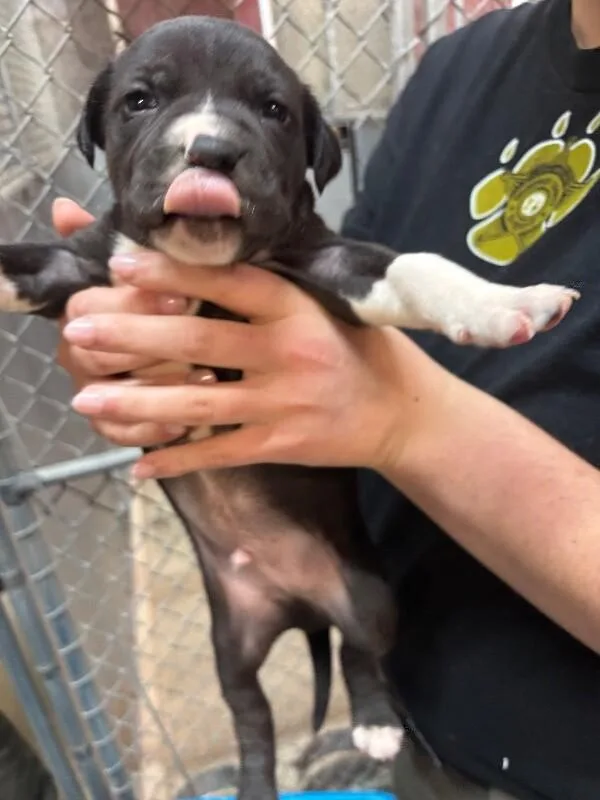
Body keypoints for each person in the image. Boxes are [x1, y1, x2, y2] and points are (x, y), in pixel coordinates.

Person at [53, 0, 600, 797]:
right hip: (424, 699)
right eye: (142, 100)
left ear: (307, 155)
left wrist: (399, 420)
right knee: (244, 671)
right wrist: (124, 351)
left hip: (557, 764)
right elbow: (357, 272)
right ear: (98, 129)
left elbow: (354, 284)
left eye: (270, 112)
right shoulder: (459, 68)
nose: (209, 136)